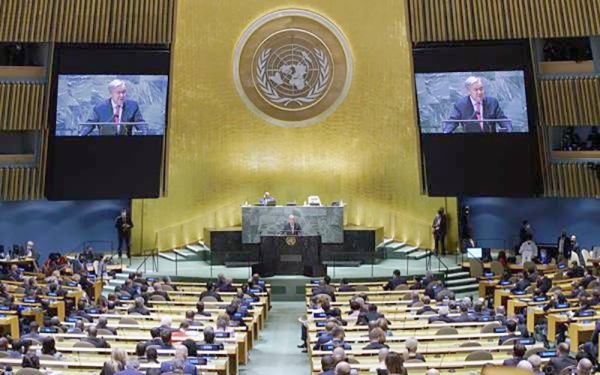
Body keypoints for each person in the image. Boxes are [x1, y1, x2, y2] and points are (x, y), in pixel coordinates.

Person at [442, 76, 512, 133]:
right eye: (476, 90)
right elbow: (452, 122)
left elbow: (503, 119)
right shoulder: (460, 105)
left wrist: (508, 129)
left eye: (481, 89)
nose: (480, 92)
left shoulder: (492, 102)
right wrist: (446, 132)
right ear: (469, 91)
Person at [81, 79, 146, 136]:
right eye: (118, 93)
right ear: (111, 93)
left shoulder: (133, 106)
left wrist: (145, 133)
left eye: (123, 92)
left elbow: (140, 123)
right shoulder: (99, 108)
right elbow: (89, 125)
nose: (122, 95)